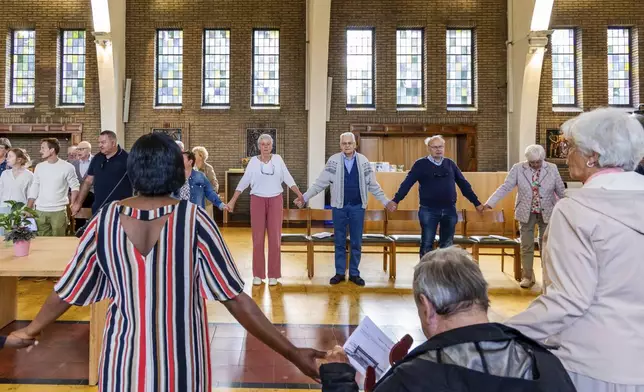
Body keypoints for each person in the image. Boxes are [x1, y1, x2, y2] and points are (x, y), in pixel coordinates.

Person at [8, 132, 324, 392]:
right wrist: (293, 353)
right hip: (183, 367)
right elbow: (237, 301)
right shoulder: (194, 221)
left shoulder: (104, 221)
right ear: (176, 171)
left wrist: (31, 330)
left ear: (132, 170)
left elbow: (68, 290)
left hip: (123, 366)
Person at [506, 108, 644, 391]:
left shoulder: (576, 210)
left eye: (570, 147)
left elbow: (568, 301)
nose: (566, 155)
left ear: (593, 155)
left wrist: (500, 333)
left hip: (595, 364)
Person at [319, 247, 577, 392]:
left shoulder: (411, 379)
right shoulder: (545, 364)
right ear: (482, 295)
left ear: (426, 306)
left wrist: (338, 378)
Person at [296, 132, 395, 287]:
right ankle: (340, 273)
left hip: (357, 207)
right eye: (344, 143)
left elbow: (373, 185)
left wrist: (386, 201)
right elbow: (320, 183)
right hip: (339, 208)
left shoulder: (363, 162)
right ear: (340, 145)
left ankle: (354, 273)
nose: (347, 146)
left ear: (355, 144)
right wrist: (305, 197)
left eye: (350, 143)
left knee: (356, 242)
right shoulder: (333, 161)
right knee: (339, 241)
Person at [484, 144, 565, 288]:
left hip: (547, 210)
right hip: (525, 211)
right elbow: (506, 186)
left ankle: (547, 277)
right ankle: (527, 276)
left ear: (543, 159)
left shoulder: (552, 168)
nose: (534, 165)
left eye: (538, 162)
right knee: (526, 245)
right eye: (531, 162)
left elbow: (560, 189)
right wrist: (491, 202)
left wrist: (569, 205)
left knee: (545, 245)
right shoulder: (518, 168)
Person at [227, 134, 303, 287]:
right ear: (259, 146)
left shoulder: (278, 159)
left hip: (275, 199)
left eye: (268, 144)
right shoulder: (253, 162)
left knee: (275, 239)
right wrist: (232, 200)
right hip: (257, 200)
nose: (266, 146)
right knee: (258, 239)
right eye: (263, 144)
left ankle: (274, 274)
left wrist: (300, 195)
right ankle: (258, 274)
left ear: (272, 145)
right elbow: (244, 181)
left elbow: (288, 177)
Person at [390, 135, 484, 256]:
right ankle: (425, 273)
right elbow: (406, 184)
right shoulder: (420, 164)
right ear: (429, 148)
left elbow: (464, 185)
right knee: (427, 244)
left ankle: (443, 273)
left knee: (447, 246)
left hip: (449, 210)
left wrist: (476, 202)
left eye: (441, 146)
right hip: (428, 210)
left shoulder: (450, 164)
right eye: (435, 147)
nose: (438, 149)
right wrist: (396, 200)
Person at [71, 130, 132, 216]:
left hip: (121, 209)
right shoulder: (97, 158)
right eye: (99, 142)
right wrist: (78, 203)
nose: (100, 145)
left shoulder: (128, 159)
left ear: (113, 143)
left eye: (103, 142)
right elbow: (88, 181)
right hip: (99, 209)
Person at [27, 138, 80, 236]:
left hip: (58, 211)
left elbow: (75, 187)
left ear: (52, 150)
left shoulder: (68, 167)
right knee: (42, 244)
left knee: (58, 243)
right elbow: (34, 187)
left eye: (43, 148)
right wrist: (28, 208)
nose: (40, 151)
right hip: (40, 211)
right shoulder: (39, 167)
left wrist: (73, 204)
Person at [71, 141, 95, 228]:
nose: (79, 151)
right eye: (78, 149)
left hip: (93, 195)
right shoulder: (73, 164)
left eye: (81, 149)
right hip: (78, 197)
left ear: (89, 150)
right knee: (79, 221)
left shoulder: (95, 161)